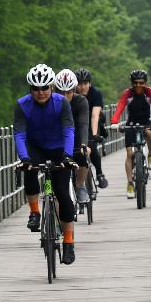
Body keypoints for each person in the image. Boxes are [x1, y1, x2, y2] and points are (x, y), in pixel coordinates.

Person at [13, 64, 78, 264]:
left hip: (59, 148)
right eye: (35, 88)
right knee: (29, 170)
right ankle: (34, 212)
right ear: (30, 89)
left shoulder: (61, 103)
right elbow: (19, 133)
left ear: (51, 87)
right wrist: (24, 159)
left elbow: (68, 130)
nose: (40, 92)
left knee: (63, 195)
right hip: (36, 147)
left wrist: (67, 156)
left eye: (44, 88)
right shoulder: (23, 105)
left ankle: (68, 242)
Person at [109, 69, 151, 199]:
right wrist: (114, 122)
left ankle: (150, 155)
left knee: (150, 133)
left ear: (145, 83)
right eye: (135, 83)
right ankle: (130, 183)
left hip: (147, 121)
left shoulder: (150, 92)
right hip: (132, 123)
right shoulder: (127, 94)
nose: (138, 86)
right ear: (132, 83)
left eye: (141, 83)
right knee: (129, 153)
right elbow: (120, 108)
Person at [53, 69, 91, 205]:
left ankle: (80, 185)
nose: (64, 96)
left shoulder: (81, 101)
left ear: (74, 90)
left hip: (75, 137)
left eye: (68, 92)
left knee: (83, 155)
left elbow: (83, 124)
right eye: (60, 93)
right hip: (55, 140)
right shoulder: (49, 102)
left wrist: (84, 144)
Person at [74, 68, 109, 189]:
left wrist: (94, 134)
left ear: (90, 83)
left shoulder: (95, 94)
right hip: (75, 125)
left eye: (85, 83)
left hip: (91, 124)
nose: (82, 87)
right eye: (79, 83)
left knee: (91, 145)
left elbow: (95, 116)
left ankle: (99, 173)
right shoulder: (71, 94)